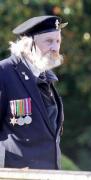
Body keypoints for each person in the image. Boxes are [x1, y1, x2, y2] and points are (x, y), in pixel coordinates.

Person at [0, 15, 68, 169]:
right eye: (48, 41)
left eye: (58, 41)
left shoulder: (46, 78)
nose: (55, 48)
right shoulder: (3, 72)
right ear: (28, 44)